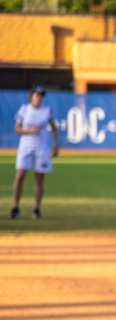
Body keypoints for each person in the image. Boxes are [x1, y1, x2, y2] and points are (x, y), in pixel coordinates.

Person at [11, 86, 59, 220]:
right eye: (37, 95)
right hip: (26, 147)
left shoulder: (47, 111)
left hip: (41, 148)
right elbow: (17, 129)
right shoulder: (24, 110)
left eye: (41, 96)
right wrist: (30, 131)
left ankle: (36, 209)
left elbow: (54, 128)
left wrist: (56, 145)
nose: (39, 98)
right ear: (31, 96)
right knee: (20, 176)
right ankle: (15, 207)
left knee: (39, 179)